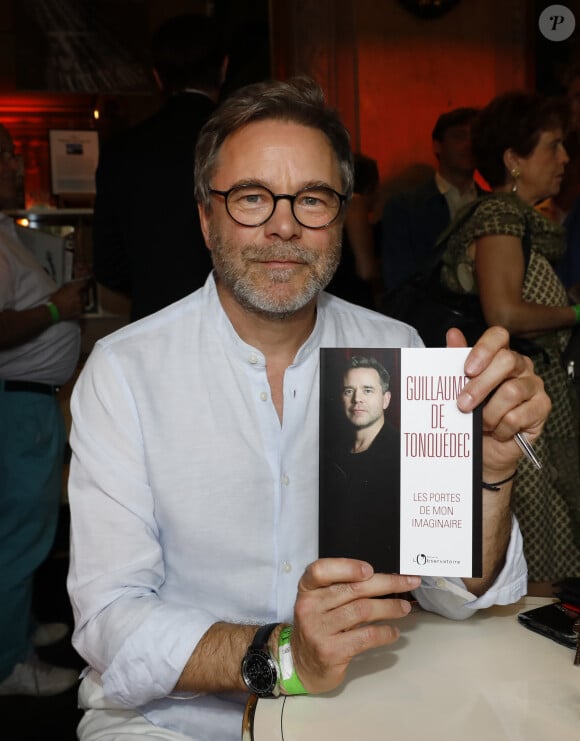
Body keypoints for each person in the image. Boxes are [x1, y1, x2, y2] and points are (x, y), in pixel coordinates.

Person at [66, 77, 549, 741]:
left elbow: (451, 583)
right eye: (252, 197)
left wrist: (490, 474)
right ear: (207, 218)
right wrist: (290, 655)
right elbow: (109, 617)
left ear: (341, 216)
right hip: (170, 719)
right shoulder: (124, 373)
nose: (284, 224)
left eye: (313, 199)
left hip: (357, 703)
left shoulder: (392, 348)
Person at [439, 90, 580, 589]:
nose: (565, 159)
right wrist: (576, 310)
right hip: (511, 400)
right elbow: (504, 312)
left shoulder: (525, 221)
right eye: (553, 147)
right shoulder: (499, 216)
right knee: (537, 541)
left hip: (535, 392)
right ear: (514, 161)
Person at [0, 123, 86, 696]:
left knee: (26, 530)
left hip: (29, 405)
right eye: (5, 156)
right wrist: (58, 311)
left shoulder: (7, 228)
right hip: (16, 407)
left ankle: (21, 628)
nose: (16, 165)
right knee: (20, 536)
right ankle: (10, 665)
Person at [92, 13, 227, 321]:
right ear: (223, 68)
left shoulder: (121, 150)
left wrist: (154, 284)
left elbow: (108, 265)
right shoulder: (242, 140)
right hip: (238, 321)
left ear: (157, 76)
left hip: (155, 315)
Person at [381, 107, 482, 293]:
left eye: (475, 136)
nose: (469, 144)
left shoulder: (491, 204)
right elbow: (398, 279)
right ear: (438, 145)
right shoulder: (406, 206)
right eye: (459, 136)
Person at [320, 355, 400, 571]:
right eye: (349, 391)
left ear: (386, 399)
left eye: (367, 390)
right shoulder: (329, 453)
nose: (357, 399)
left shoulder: (403, 455)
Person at [325, 153, 381, 308]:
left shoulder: (329, 205)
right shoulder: (355, 203)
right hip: (350, 298)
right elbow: (366, 270)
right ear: (372, 185)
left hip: (330, 298)